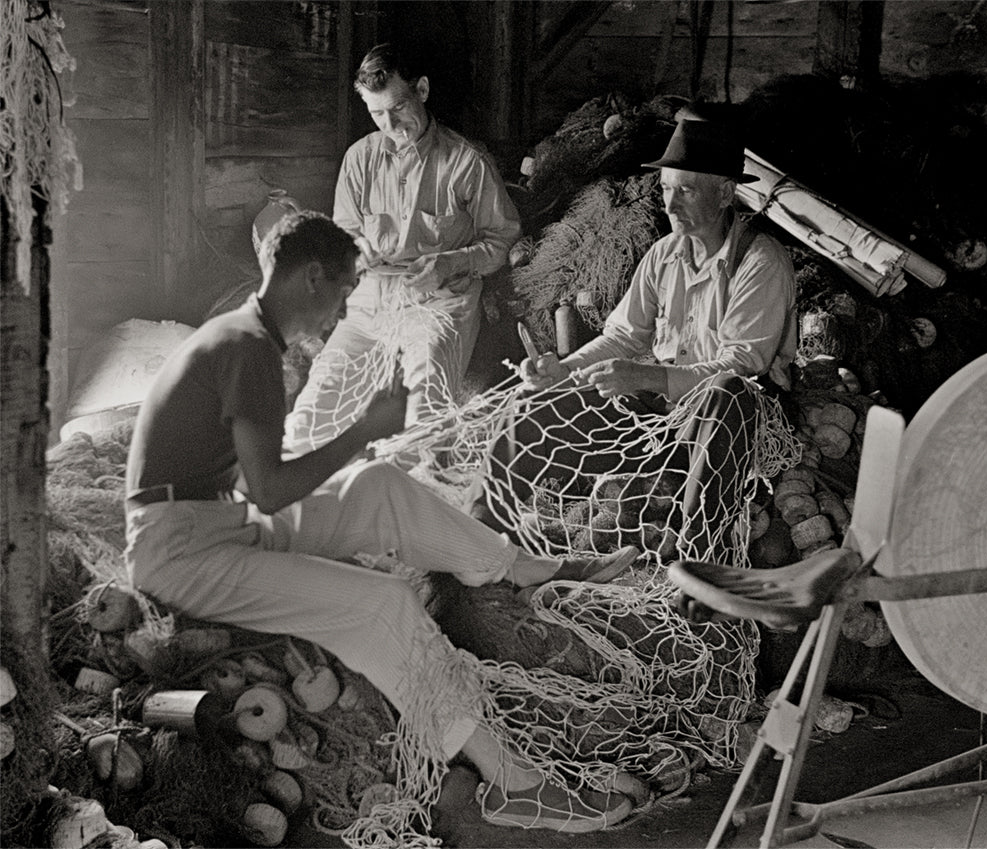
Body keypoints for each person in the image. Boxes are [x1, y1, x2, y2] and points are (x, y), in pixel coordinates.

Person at [123, 210, 639, 833]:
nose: (342, 315)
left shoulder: (244, 338)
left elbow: (245, 482)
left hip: (217, 521)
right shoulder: (245, 348)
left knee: (375, 485)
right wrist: (362, 429)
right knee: (383, 604)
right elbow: (270, 490)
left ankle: (523, 568)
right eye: (343, 292)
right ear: (313, 277)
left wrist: (357, 453)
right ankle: (513, 784)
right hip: (180, 553)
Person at [474, 108, 797, 555]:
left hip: (720, 429)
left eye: (685, 190)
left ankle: (694, 557)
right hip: (656, 414)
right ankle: (483, 528)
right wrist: (564, 370)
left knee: (728, 394)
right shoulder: (664, 253)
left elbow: (741, 367)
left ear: (724, 193)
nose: (670, 203)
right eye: (666, 189)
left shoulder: (760, 262)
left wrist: (646, 377)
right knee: (533, 401)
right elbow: (624, 336)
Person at [285, 42, 521, 450]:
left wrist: (449, 264)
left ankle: (409, 495)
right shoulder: (359, 159)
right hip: (370, 300)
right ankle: (307, 497)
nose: (389, 124)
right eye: (377, 113)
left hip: (440, 300)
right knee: (316, 404)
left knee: (424, 404)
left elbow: (501, 240)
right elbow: (343, 232)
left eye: (397, 108)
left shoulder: (466, 162)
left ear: (422, 91)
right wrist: (356, 247)